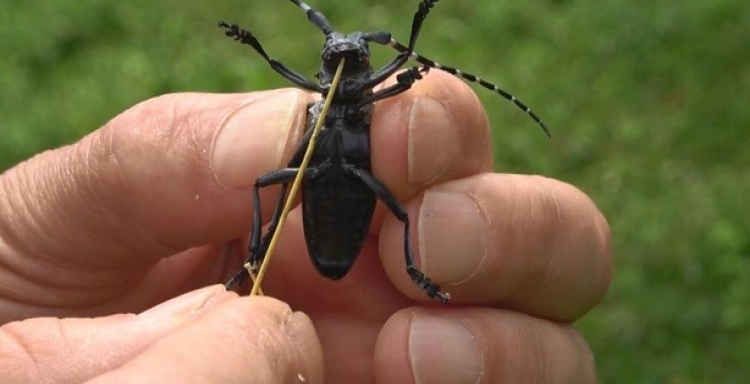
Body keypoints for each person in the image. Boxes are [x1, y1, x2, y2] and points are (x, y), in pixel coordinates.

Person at [0, 71, 611, 383]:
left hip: (344, 213)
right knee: (270, 180)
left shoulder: (373, 100)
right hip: (327, 208)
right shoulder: (325, 106)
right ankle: (264, 250)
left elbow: (410, 74)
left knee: (396, 208)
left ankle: (417, 264)